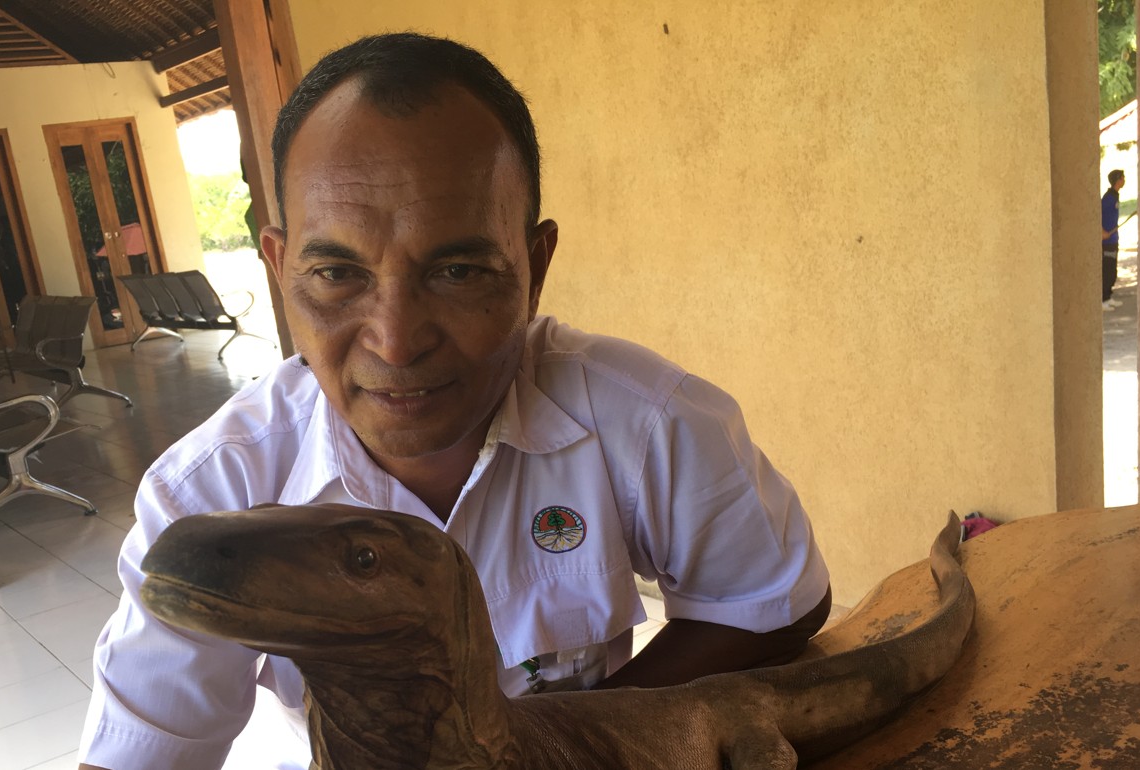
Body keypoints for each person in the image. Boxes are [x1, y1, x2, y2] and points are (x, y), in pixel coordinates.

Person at [78, 32, 830, 770]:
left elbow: (777, 602)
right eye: (337, 275)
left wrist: (558, 746)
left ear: (533, 268)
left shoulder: (646, 418)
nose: (396, 342)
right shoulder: (209, 496)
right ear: (280, 271)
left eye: (459, 271)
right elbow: (139, 753)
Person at [1101, 169, 1125, 311]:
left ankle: (1108, 297)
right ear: (1118, 180)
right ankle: (1103, 300)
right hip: (1107, 241)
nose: (1124, 180)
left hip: (1113, 239)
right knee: (1107, 270)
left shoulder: (1115, 196)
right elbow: (1097, 212)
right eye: (1123, 177)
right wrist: (1101, 231)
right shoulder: (1108, 198)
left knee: (1112, 271)